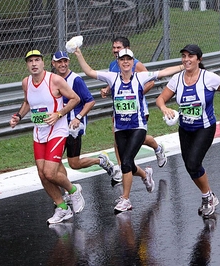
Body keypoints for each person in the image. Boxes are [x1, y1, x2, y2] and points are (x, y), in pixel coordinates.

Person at [74, 47, 183, 213]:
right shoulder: (112, 78)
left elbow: (162, 72)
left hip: (137, 126)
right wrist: (79, 54)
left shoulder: (140, 77)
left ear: (133, 63)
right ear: (118, 62)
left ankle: (125, 199)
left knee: (124, 163)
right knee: (129, 164)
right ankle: (146, 175)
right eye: (122, 59)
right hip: (120, 128)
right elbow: (89, 71)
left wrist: (182, 66)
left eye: (128, 59)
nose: (125, 62)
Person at [156, 44, 220, 218]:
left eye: (190, 56)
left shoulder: (209, 78)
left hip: (205, 128)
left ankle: (207, 197)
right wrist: (164, 109)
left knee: (193, 163)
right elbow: (161, 99)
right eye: (184, 56)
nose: (186, 60)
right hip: (185, 129)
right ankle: (209, 195)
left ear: (199, 59)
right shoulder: (177, 79)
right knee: (190, 167)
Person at [9, 50, 84, 224]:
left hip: (57, 130)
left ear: (44, 63)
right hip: (39, 132)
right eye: (30, 61)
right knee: (42, 175)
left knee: (50, 172)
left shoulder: (55, 80)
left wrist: (59, 113)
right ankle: (63, 208)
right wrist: (18, 117)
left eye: (37, 60)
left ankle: (73, 191)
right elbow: (28, 102)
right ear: (27, 65)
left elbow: (75, 98)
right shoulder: (26, 82)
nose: (34, 64)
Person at [101, 37, 167, 182]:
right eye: (114, 47)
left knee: (138, 139)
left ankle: (157, 148)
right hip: (119, 109)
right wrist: (106, 89)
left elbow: (150, 81)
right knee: (118, 138)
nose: (115, 50)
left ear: (127, 49)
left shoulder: (135, 64)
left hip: (138, 109)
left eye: (118, 47)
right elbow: (115, 81)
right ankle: (120, 168)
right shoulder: (113, 64)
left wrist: (136, 94)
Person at [51, 51, 117, 184]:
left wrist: (78, 117)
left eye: (65, 61)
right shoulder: (52, 79)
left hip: (72, 127)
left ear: (69, 62)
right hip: (57, 126)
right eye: (59, 62)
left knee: (74, 163)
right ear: (54, 64)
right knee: (53, 160)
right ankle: (68, 190)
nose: (63, 64)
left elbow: (90, 101)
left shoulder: (75, 80)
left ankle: (100, 161)